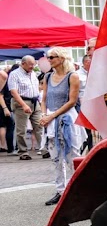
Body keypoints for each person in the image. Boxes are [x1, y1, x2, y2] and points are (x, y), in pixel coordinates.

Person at [40, 48, 80, 206]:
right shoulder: (48, 76)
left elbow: (72, 101)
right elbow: (43, 99)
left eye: (52, 57)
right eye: (48, 57)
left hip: (66, 119)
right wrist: (44, 115)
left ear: (62, 58)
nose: (48, 60)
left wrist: (51, 115)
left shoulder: (73, 76)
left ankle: (76, 190)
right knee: (55, 157)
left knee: (72, 155)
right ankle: (60, 191)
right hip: (50, 119)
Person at [8, 55, 44, 160]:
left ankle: (43, 149)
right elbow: (13, 91)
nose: (32, 66)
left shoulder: (32, 73)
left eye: (34, 64)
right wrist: (23, 105)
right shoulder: (14, 74)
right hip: (21, 101)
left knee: (39, 125)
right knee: (21, 129)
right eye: (30, 64)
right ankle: (23, 152)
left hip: (34, 101)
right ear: (23, 63)